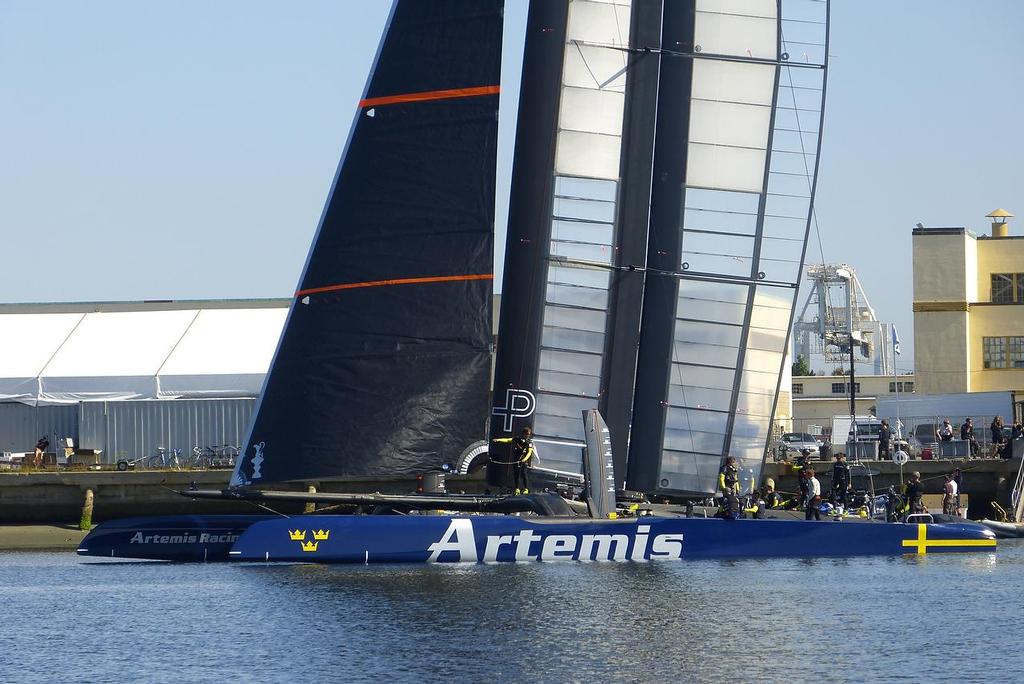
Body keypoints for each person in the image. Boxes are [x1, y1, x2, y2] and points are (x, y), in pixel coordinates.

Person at [492, 427, 535, 495]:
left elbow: (529, 452)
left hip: (524, 460)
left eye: (529, 434)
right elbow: (508, 440)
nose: (528, 435)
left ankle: (526, 489)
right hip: (517, 459)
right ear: (523, 434)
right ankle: (517, 488)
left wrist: (525, 459)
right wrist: (498, 440)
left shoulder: (529, 442)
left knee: (524, 474)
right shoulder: (518, 439)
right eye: (527, 434)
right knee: (516, 474)